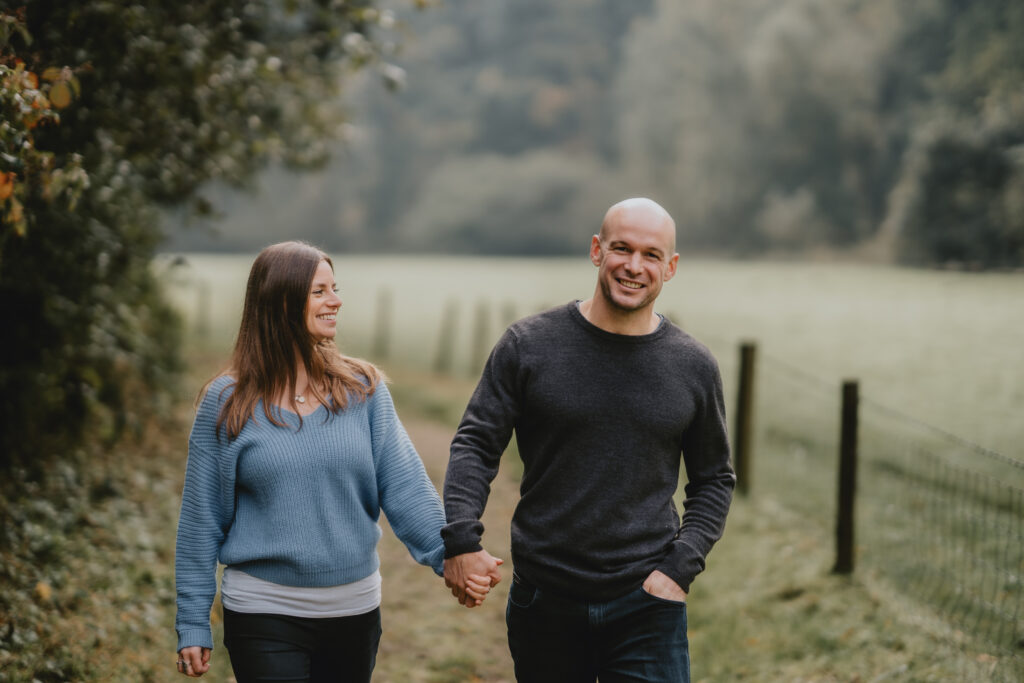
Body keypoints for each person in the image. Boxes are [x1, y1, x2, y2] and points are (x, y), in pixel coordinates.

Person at [442, 198, 736, 682]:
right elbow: (475, 444)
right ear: (597, 250)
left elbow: (714, 480)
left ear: (671, 266)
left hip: (647, 602)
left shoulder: (693, 366)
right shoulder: (528, 345)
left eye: (651, 255)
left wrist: (679, 569)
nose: (634, 266)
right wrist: (460, 538)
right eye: (621, 249)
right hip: (546, 599)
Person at [173, 241, 490, 681]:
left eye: (334, 288)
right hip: (263, 610)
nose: (336, 301)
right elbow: (200, 520)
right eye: (320, 291)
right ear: (282, 301)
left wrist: (453, 554)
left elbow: (404, 487)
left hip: (355, 612)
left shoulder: (363, 389)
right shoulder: (226, 402)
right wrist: (192, 619)